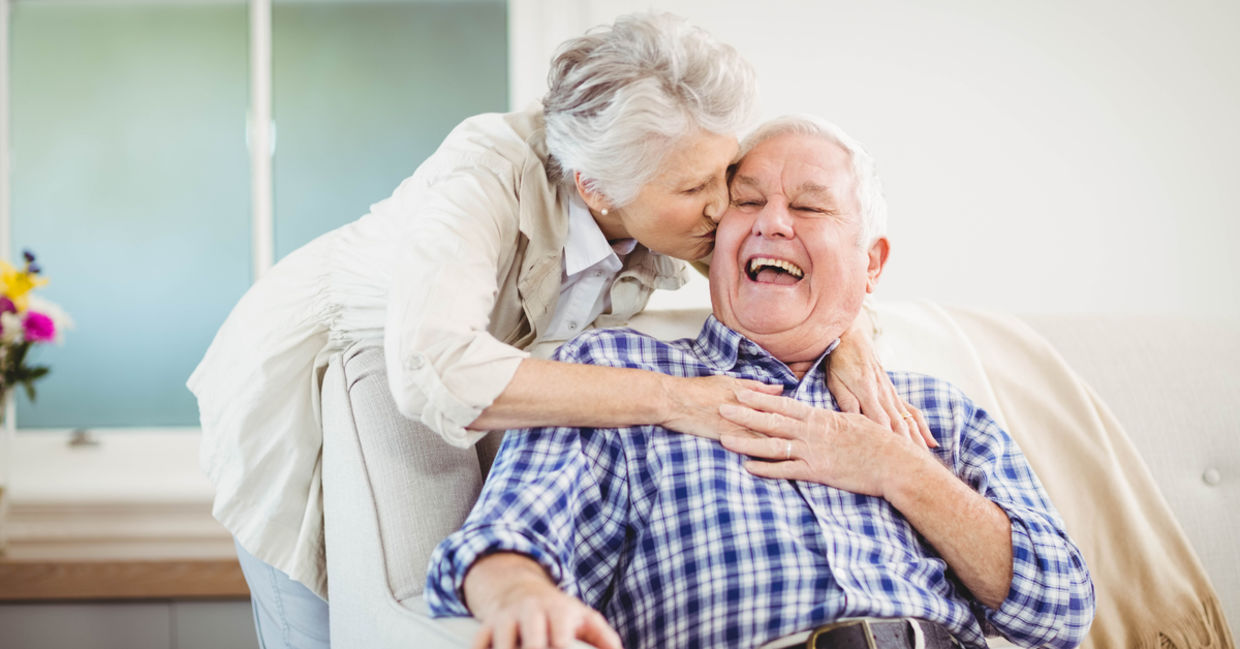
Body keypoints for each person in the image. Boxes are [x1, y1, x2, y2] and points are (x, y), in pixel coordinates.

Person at [187, 13, 926, 649]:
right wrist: (675, 398)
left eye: (724, 170)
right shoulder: (483, 171)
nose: (721, 206)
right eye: (695, 188)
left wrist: (852, 337)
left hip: (464, 379)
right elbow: (436, 369)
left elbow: (785, 262)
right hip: (309, 380)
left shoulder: (670, 183)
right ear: (597, 189)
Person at [425, 115, 1096, 649]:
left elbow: (1063, 611)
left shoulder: (937, 415)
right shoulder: (614, 375)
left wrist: (898, 469)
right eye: (747, 201)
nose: (774, 221)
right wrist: (523, 599)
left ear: (873, 265)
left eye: (809, 207)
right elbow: (502, 539)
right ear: (714, 242)